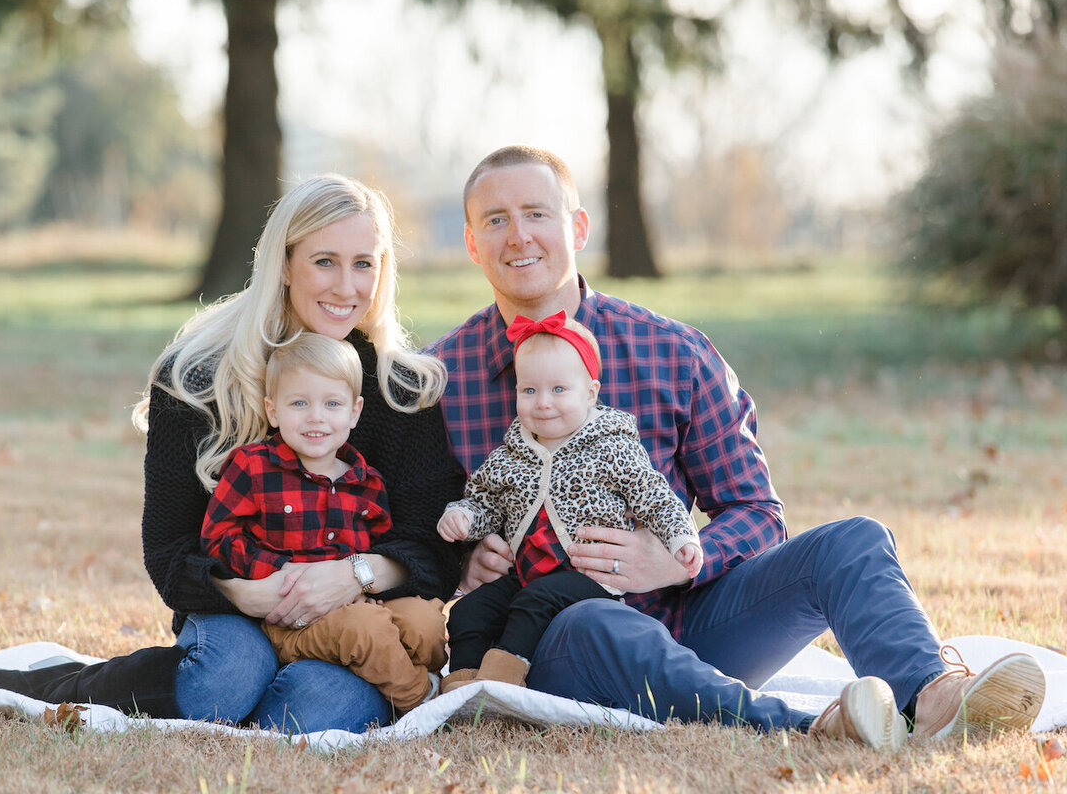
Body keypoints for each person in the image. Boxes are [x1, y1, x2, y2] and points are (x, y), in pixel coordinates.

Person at [427, 145, 1046, 747]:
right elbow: (404, 532)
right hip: (556, 635)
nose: (518, 236)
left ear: (578, 227)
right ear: (471, 242)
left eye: (537, 213)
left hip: (695, 618)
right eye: (496, 220)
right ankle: (808, 728)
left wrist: (678, 558)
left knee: (853, 541)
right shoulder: (438, 379)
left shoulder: (674, 352)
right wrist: (462, 561)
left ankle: (935, 699)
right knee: (594, 620)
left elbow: (756, 513)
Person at [0, 174, 464, 733]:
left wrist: (357, 574)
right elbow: (169, 547)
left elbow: (435, 548)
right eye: (325, 261)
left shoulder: (400, 387)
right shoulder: (197, 376)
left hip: (355, 616)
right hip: (238, 605)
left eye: (364, 263)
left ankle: (269, 694)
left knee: (314, 714)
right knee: (223, 683)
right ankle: (60, 686)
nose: (347, 286)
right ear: (284, 263)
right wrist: (245, 592)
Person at [436, 311, 701, 693]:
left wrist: (682, 540)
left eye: (559, 390)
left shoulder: (612, 447)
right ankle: (461, 687)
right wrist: (462, 516)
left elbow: (656, 497)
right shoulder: (513, 454)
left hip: (589, 576)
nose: (542, 403)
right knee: (469, 610)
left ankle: (501, 686)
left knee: (535, 602)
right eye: (529, 391)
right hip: (526, 573)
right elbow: (486, 503)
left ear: (590, 393)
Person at [201, 332, 446, 712]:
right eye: (299, 403)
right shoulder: (252, 466)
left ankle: (411, 675)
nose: (316, 416)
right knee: (368, 630)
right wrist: (284, 573)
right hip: (290, 620)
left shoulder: (368, 482)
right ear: (273, 410)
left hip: (358, 603)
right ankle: (423, 704)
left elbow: (381, 547)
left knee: (425, 621)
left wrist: (363, 584)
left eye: (332, 403)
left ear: (354, 411)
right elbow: (218, 537)